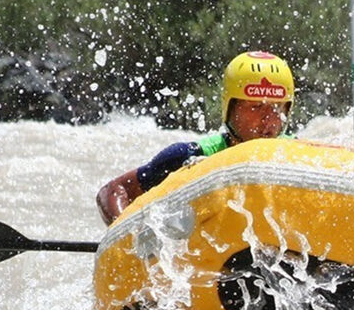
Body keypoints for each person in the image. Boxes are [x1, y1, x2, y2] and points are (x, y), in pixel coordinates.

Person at [96, 51, 294, 224]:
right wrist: (124, 235)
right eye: (256, 107)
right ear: (230, 109)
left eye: (277, 108)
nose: (269, 119)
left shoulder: (300, 156)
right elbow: (115, 190)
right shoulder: (190, 156)